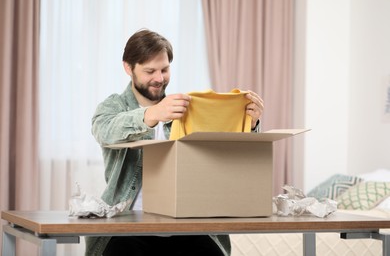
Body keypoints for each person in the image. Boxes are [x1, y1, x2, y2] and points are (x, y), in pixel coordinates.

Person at [86, 29, 264, 256]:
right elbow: (104, 131)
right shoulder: (113, 107)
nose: (159, 78)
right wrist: (152, 114)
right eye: (150, 71)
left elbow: (223, 152)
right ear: (128, 68)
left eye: (165, 69)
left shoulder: (186, 109)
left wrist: (250, 122)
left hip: (186, 226)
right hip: (128, 227)